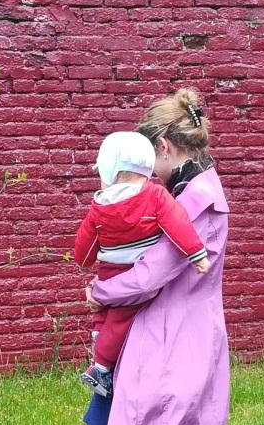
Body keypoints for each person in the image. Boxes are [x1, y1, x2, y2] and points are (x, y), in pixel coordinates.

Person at [77, 88, 230, 425]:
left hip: (169, 348)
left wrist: (100, 292)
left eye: (147, 161)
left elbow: (152, 274)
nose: (140, 175)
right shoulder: (161, 194)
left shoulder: (201, 200)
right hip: (133, 346)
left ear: (165, 147)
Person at [72, 130, 210, 397]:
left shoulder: (99, 205)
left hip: (109, 272)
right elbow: (177, 224)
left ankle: (99, 359)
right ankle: (102, 367)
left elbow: (85, 248)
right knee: (121, 319)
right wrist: (196, 254)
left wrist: (83, 262)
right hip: (135, 271)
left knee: (104, 317)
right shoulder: (155, 196)